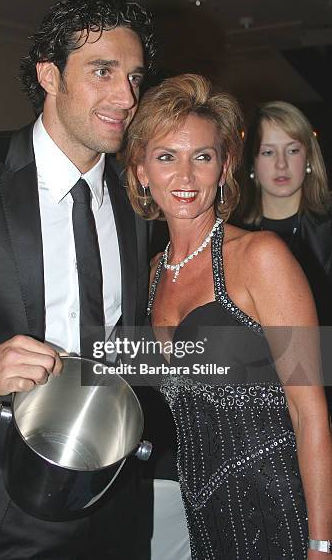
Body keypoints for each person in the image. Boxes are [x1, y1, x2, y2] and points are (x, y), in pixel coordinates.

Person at [0, 0, 155, 559]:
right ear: (50, 75)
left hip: (112, 498)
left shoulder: (139, 197)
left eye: (134, 76)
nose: (126, 96)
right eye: (104, 71)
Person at [124, 74, 332, 559]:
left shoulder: (261, 256)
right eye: (165, 157)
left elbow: (310, 412)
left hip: (280, 504)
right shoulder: (152, 274)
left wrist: (322, 543)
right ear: (140, 170)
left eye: (202, 156)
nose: (185, 177)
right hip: (203, 513)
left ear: (225, 166)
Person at [234, 100, 332, 411]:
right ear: (251, 163)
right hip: (255, 404)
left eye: (292, 150)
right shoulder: (230, 238)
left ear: (308, 158)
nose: (281, 165)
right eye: (267, 152)